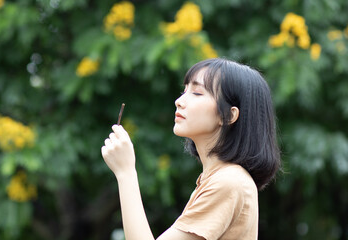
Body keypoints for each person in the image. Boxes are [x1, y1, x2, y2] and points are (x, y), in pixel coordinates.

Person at [101, 58, 281, 240]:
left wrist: (126, 173)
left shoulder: (228, 182)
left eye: (196, 93)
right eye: (184, 90)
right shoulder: (217, 179)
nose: (179, 101)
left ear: (228, 115)